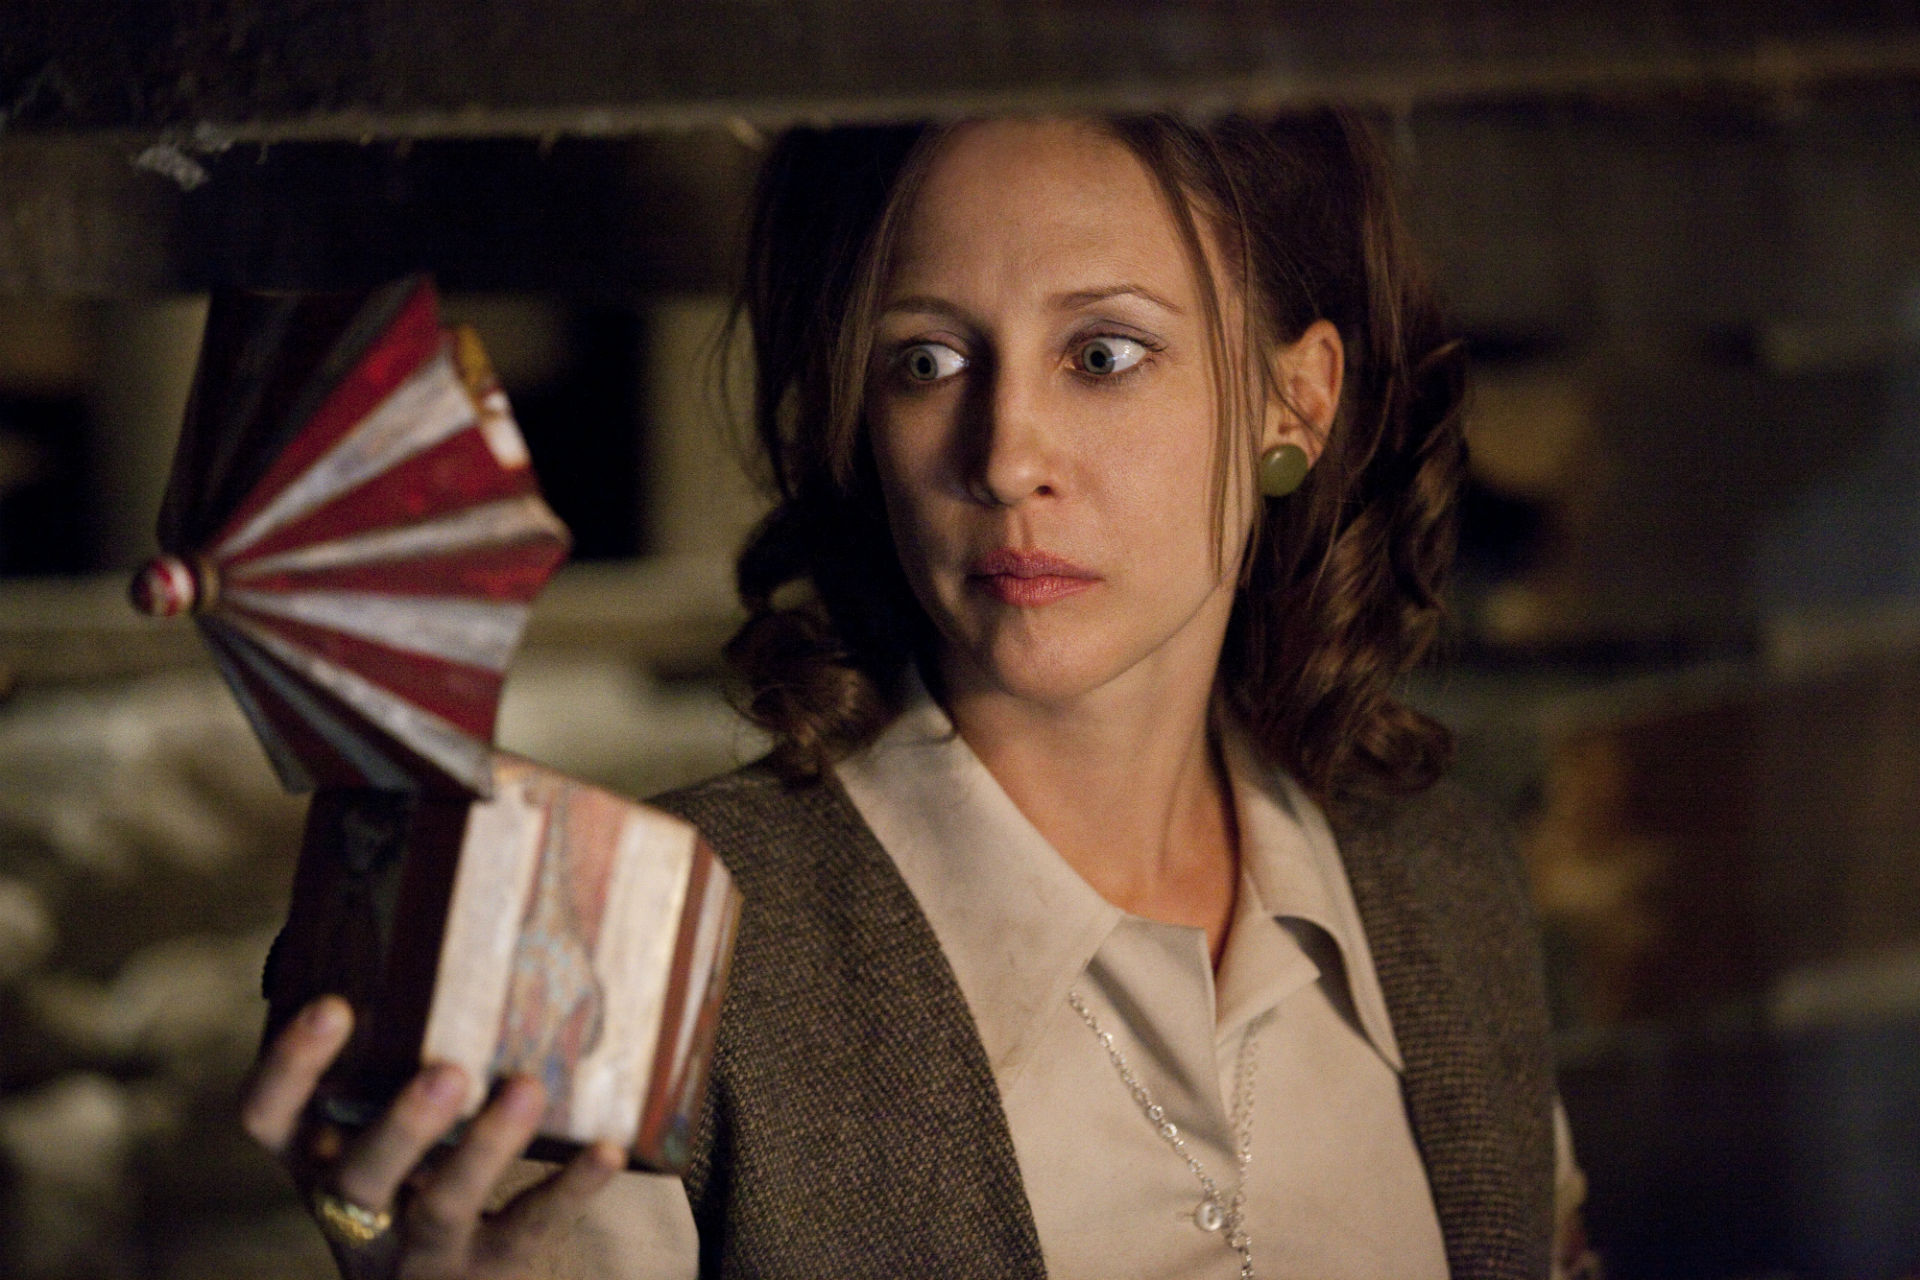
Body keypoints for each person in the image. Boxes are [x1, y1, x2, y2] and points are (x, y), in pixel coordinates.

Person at [243, 109, 1588, 1279]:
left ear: (1298, 401)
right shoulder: (666, 947)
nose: (1004, 456)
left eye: (1104, 354)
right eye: (927, 361)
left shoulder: (1439, 882)